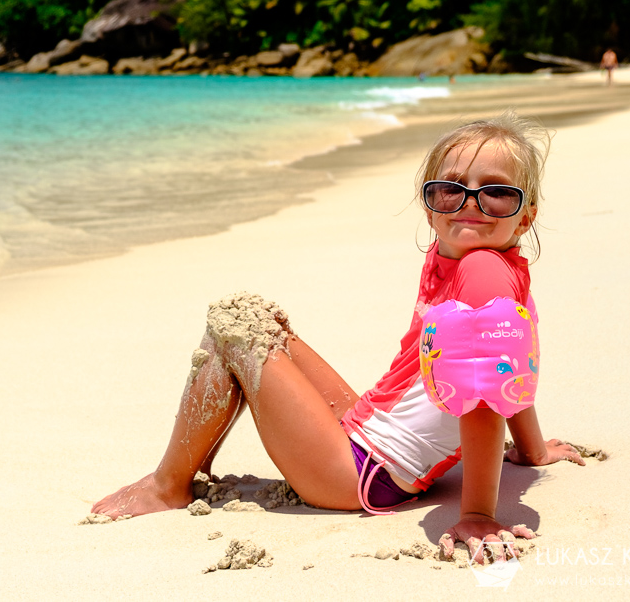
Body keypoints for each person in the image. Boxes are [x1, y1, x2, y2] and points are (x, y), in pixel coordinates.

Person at [91, 113, 583, 563]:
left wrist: (477, 511)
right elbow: (507, 367)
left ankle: (168, 485)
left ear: (526, 215)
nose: (471, 204)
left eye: (496, 193)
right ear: (430, 208)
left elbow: (483, 394)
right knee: (261, 322)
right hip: (369, 436)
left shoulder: (479, 269)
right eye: (450, 191)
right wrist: (531, 451)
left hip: (362, 476)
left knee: (233, 327)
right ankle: (186, 472)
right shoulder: (469, 259)